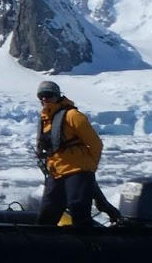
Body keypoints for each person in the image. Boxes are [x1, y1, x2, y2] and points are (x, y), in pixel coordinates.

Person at [33, 80, 109, 227]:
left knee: (79, 211)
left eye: (48, 95)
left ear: (57, 95)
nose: (44, 99)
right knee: (47, 214)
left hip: (77, 172)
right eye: (41, 96)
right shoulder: (45, 120)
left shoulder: (72, 116)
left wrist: (88, 168)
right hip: (56, 174)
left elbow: (96, 144)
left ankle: (88, 244)